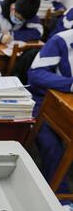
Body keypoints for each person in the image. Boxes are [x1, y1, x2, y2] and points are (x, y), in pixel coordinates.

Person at [27, 29, 73, 196]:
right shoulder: (60, 41)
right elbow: (36, 75)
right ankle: (60, 196)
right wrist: (69, 84)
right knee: (51, 144)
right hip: (48, 100)